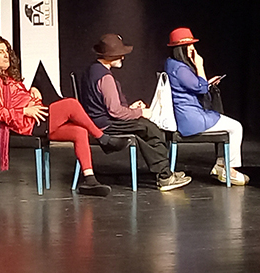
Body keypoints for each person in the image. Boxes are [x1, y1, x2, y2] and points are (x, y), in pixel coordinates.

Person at [0, 36, 126, 196]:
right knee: (71, 104)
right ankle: (103, 139)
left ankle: (90, 180)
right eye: (0, 52)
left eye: (6, 51)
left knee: (79, 131)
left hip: (35, 120)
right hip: (25, 124)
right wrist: (24, 111)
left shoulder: (7, 78)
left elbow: (16, 100)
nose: (6, 55)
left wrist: (32, 94)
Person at [80, 34, 191, 191]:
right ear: (110, 56)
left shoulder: (92, 70)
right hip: (106, 125)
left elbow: (103, 105)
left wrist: (130, 109)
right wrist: (140, 112)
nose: (122, 58)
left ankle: (164, 172)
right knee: (151, 129)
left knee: (144, 130)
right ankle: (165, 177)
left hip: (98, 121)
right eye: (119, 54)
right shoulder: (105, 77)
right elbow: (115, 112)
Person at [165, 28, 248, 185]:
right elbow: (201, 88)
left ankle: (220, 165)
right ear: (181, 49)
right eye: (189, 45)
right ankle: (228, 169)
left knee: (228, 124)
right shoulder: (180, 68)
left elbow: (194, 86)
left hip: (188, 114)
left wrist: (206, 83)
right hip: (192, 119)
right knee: (236, 127)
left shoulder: (171, 64)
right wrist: (200, 66)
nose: (193, 49)